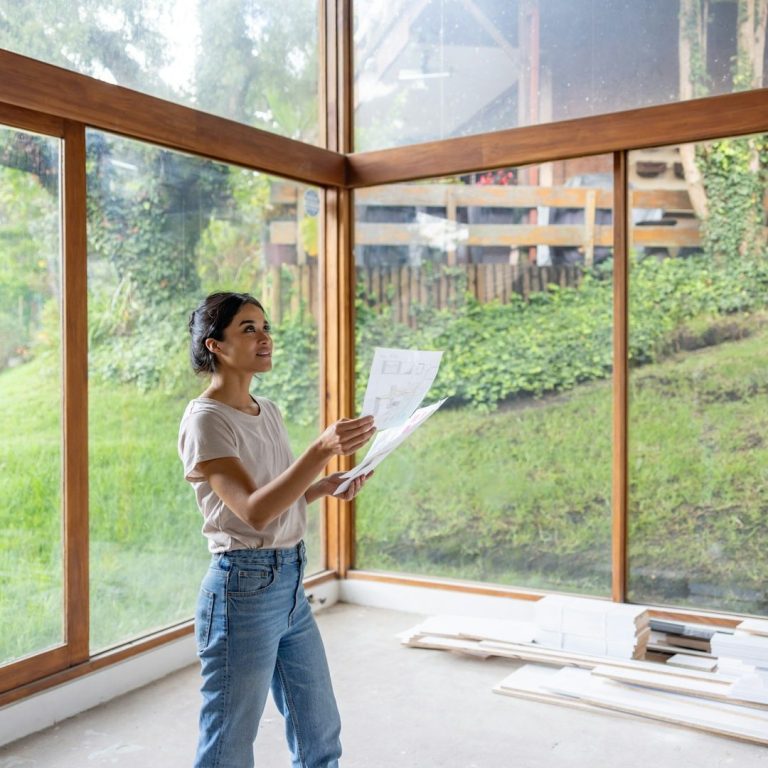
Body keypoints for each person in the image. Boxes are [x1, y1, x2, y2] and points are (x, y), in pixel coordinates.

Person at [178, 291, 375, 768]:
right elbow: (253, 511)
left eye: (265, 327)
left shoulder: (267, 410)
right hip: (241, 589)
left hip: (289, 581)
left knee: (319, 730)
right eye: (249, 328)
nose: (265, 337)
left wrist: (324, 485)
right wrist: (321, 451)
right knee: (228, 743)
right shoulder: (206, 420)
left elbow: (276, 497)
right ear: (216, 346)